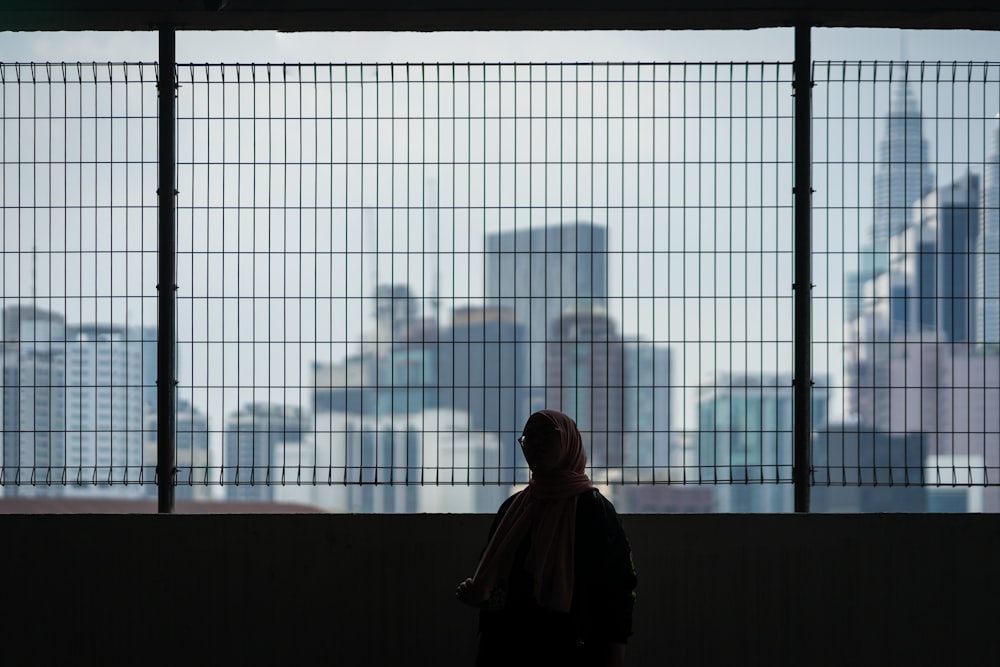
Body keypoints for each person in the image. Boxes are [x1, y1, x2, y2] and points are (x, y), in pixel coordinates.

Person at [455, 409, 637, 667]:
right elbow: (500, 579)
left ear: (570, 442)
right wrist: (480, 592)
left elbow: (617, 590)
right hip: (508, 646)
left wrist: (613, 653)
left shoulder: (593, 510)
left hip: (569, 647)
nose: (536, 442)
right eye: (529, 436)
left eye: (546, 434)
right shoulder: (513, 508)